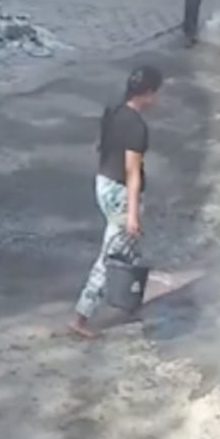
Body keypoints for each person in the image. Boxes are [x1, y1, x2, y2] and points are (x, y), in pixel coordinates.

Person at [70, 65, 163, 339]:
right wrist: (133, 214)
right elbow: (132, 173)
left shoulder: (114, 110)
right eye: (155, 93)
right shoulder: (137, 127)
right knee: (111, 254)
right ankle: (81, 315)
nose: (156, 99)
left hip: (104, 183)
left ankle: (127, 300)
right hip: (121, 193)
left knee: (128, 248)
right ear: (147, 93)